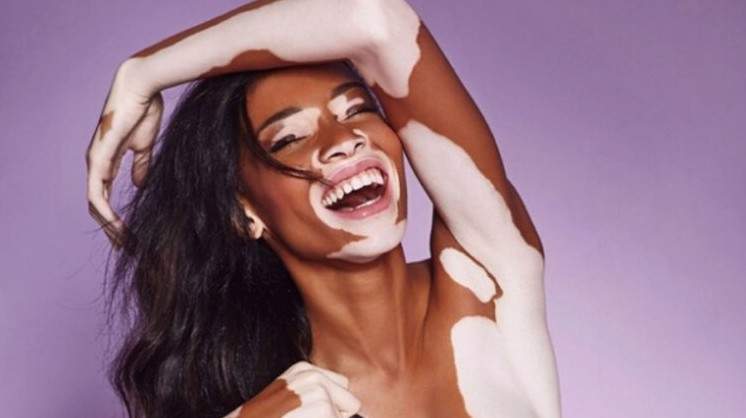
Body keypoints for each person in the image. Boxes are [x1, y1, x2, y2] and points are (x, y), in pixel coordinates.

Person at [85, 1, 562, 417]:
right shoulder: (274, 406)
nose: (344, 140)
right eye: (289, 138)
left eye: (357, 110)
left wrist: (144, 73)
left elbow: (375, 19)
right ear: (244, 213)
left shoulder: (485, 274)